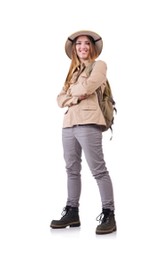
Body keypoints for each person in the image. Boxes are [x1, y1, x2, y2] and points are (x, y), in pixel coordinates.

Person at [50, 30, 117, 235]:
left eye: (86, 44)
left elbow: (87, 88)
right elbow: (60, 99)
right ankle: (72, 211)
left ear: (92, 47)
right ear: (74, 49)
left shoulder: (99, 65)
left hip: (89, 122)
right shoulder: (73, 72)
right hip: (69, 124)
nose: (82, 47)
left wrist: (73, 94)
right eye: (78, 44)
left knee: (98, 170)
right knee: (71, 169)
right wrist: (73, 96)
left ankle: (109, 213)